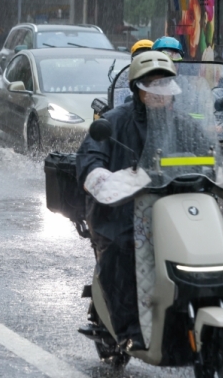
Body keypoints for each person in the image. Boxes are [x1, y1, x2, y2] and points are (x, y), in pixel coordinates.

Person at [75, 50, 178, 353]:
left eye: (165, 85)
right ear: (137, 89)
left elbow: (207, 154)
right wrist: (100, 177)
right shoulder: (114, 122)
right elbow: (90, 157)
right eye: (152, 85)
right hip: (119, 211)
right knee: (122, 249)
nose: (160, 93)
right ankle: (130, 329)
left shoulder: (181, 122)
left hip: (169, 210)